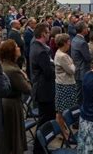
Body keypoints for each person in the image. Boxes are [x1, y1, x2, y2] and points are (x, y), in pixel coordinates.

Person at [0, 40, 32, 154]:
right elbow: (27, 89)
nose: (18, 48)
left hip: (7, 103)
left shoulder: (5, 65)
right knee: (12, 135)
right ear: (11, 51)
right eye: (16, 47)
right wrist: (25, 76)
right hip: (11, 105)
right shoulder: (12, 70)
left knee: (8, 135)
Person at [29, 23, 55, 154]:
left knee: (45, 119)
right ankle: (39, 149)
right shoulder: (41, 51)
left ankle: (41, 147)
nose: (49, 34)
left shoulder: (36, 46)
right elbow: (49, 72)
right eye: (48, 32)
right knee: (44, 121)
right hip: (44, 91)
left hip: (42, 89)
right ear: (43, 34)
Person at [54, 33, 77, 140]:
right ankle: (63, 132)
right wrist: (73, 63)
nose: (70, 43)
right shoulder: (63, 56)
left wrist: (71, 63)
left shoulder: (61, 53)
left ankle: (64, 131)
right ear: (63, 43)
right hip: (65, 86)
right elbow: (72, 70)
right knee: (62, 111)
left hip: (64, 84)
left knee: (62, 110)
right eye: (68, 41)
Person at [71, 21, 92, 105]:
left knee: (79, 94)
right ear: (83, 30)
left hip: (77, 69)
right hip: (82, 71)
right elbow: (88, 58)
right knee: (81, 97)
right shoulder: (82, 42)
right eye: (86, 27)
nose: (88, 29)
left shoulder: (74, 39)